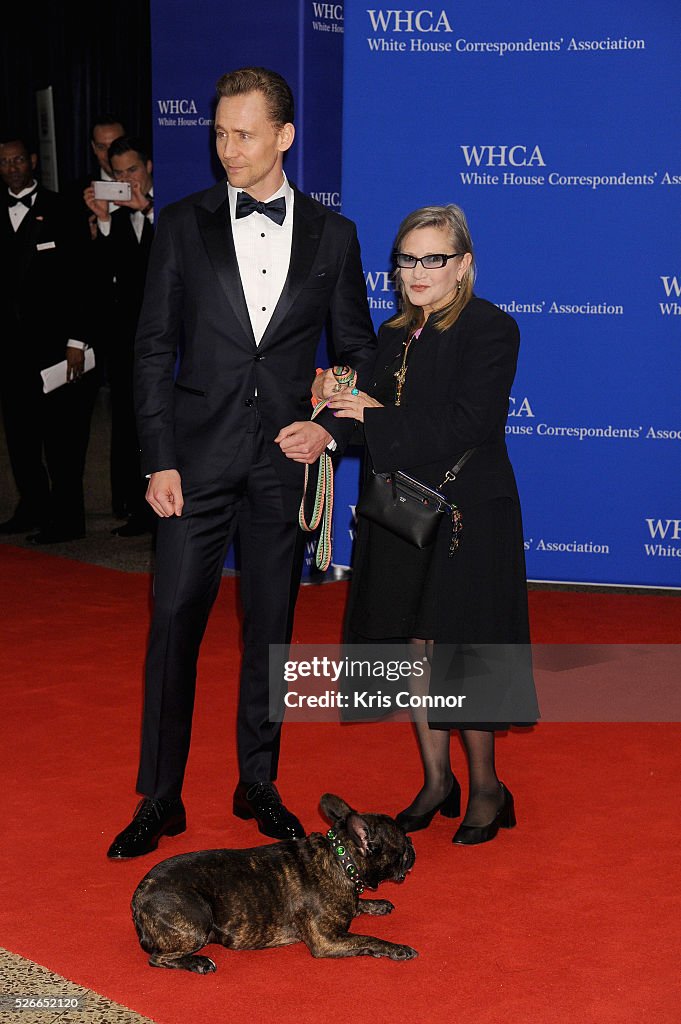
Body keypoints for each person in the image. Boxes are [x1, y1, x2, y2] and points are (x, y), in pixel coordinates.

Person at [107, 67, 376, 858]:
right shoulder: (183, 223)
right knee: (171, 627)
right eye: (220, 133)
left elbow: (356, 352)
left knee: (272, 631)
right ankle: (160, 796)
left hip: (277, 469)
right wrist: (157, 461)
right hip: (190, 466)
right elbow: (152, 348)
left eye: (245, 134)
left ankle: (257, 781)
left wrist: (328, 428)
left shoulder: (336, 235)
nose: (228, 148)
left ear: (283, 137)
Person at [327, 204, 537, 846]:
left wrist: (370, 419)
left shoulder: (491, 329)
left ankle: (485, 788)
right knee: (415, 647)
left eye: (433, 259)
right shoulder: (392, 335)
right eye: (406, 260)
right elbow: (373, 428)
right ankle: (437, 779)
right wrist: (328, 418)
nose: (417, 272)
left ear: (464, 265)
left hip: (466, 511)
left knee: (459, 651)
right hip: (402, 512)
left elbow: (467, 424)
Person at [0, 135, 95, 543]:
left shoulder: (62, 207)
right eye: (5, 162)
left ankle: (68, 518)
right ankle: (32, 506)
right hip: (9, 348)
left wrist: (78, 339)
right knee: (20, 437)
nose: (13, 167)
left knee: (62, 438)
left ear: (33, 161)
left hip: (56, 346)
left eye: (19, 159)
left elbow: (83, 276)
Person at [84, 136, 155, 535]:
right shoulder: (119, 216)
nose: (126, 179)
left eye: (132, 170)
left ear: (148, 166)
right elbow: (111, 278)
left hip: (174, 339)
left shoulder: (169, 206)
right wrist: (106, 220)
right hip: (129, 339)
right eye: (117, 173)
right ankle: (133, 505)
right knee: (129, 421)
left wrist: (145, 209)